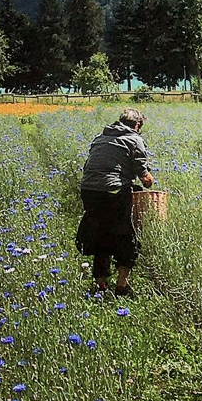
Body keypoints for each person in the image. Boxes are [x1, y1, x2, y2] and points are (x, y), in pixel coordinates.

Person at [76, 107, 153, 296]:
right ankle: (121, 285)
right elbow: (145, 177)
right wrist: (149, 180)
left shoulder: (99, 138)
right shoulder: (135, 139)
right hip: (114, 191)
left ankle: (101, 284)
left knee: (100, 233)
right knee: (125, 235)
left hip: (89, 190)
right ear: (137, 125)